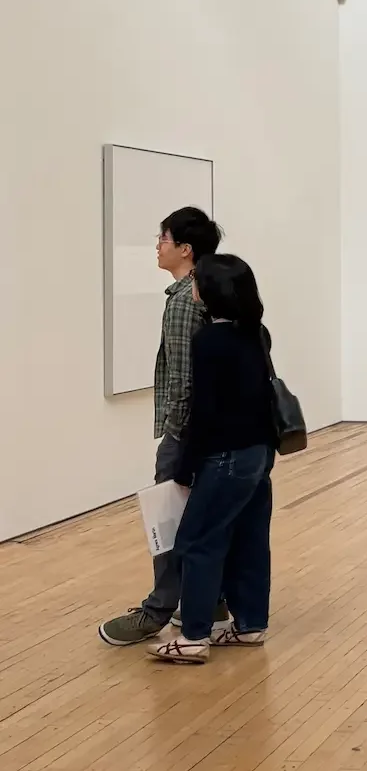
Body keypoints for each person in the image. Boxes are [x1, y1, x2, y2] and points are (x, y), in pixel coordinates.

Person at [99, 207, 232, 646]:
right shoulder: (214, 289)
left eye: (163, 238)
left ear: (185, 249)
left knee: (169, 520)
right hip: (218, 431)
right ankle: (211, 603)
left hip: (187, 433)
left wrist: (176, 436)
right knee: (203, 518)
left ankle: (157, 609)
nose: (157, 246)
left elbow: (182, 380)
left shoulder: (182, 302)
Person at [150, 253, 279, 664]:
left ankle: (192, 637)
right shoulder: (256, 334)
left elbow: (204, 412)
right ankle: (250, 626)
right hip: (258, 454)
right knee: (250, 541)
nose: (193, 287)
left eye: (197, 282)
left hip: (225, 457)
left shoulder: (209, 341)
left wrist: (186, 466)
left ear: (209, 292)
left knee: (198, 542)